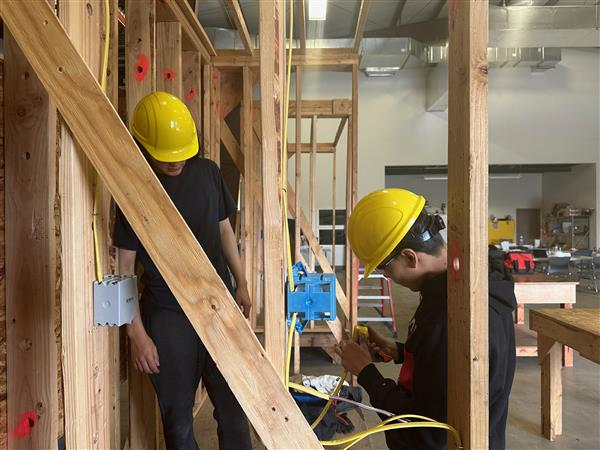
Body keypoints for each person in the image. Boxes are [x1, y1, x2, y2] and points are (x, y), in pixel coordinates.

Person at [115, 91, 252, 450]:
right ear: (144, 147)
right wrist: (137, 335)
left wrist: (242, 282)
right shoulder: (134, 191)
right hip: (168, 316)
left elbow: (224, 229)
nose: (176, 163)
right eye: (166, 157)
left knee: (236, 413)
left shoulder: (208, 173)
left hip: (217, 306)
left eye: (181, 154)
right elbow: (124, 269)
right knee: (178, 424)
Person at [335, 188, 516, 450]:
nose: (387, 277)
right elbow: (443, 368)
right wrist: (398, 350)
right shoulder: (463, 289)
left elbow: (425, 432)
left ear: (410, 257)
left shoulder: (450, 317)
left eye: (386, 269)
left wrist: (367, 374)